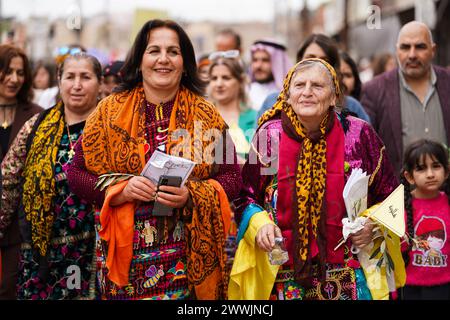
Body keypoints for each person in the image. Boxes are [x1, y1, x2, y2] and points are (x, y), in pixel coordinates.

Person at [66, 19, 242, 300]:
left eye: (173, 51)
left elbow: (233, 177)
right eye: (154, 50)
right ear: (139, 60)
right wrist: (119, 191)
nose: (163, 59)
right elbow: (75, 174)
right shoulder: (108, 112)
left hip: (187, 270)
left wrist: (191, 195)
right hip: (123, 271)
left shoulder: (206, 116)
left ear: (185, 63)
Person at [229, 58, 406, 300]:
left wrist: (372, 226)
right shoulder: (269, 135)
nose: (307, 93)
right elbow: (245, 197)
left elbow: (391, 196)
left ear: (334, 96)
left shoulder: (359, 134)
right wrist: (259, 225)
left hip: (348, 272)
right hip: (280, 270)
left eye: (318, 86)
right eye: (299, 85)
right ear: (287, 95)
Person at [0, 53, 102, 299]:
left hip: (93, 255)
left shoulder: (111, 128)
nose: (76, 85)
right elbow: (8, 182)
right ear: (59, 81)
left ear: (99, 83)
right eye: (70, 77)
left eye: (85, 77)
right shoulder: (37, 126)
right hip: (40, 258)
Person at [361, 21, 450, 174]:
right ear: (397, 50)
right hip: (398, 193)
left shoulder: (447, 82)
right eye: (405, 47)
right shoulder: (374, 90)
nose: (412, 54)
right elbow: (366, 149)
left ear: (433, 50)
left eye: (420, 47)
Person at [0, 44, 43, 300]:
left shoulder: (36, 115)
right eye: (7, 71)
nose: (14, 79)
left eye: (20, 72)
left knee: (8, 288)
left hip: (19, 226)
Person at [257, 34, 370, 124]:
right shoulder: (272, 102)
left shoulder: (352, 106)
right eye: (310, 58)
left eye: (324, 59)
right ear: (299, 61)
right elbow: (260, 149)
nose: (316, 64)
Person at [400, 139, 450, 300]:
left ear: (446, 171)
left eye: (436, 166)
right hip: (408, 288)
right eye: (421, 169)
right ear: (409, 177)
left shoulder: (447, 203)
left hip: (445, 287)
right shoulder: (398, 207)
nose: (430, 174)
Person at [207, 54, 257, 161]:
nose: (219, 84)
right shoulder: (201, 117)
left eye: (226, 78)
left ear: (240, 81)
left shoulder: (256, 117)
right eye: (214, 78)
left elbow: (265, 166)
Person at [248, 39, 292, 112]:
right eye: (255, 60)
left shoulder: (289, 96)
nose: (258, 66)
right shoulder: (245, 92)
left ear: (278, 63)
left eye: (265, 60)